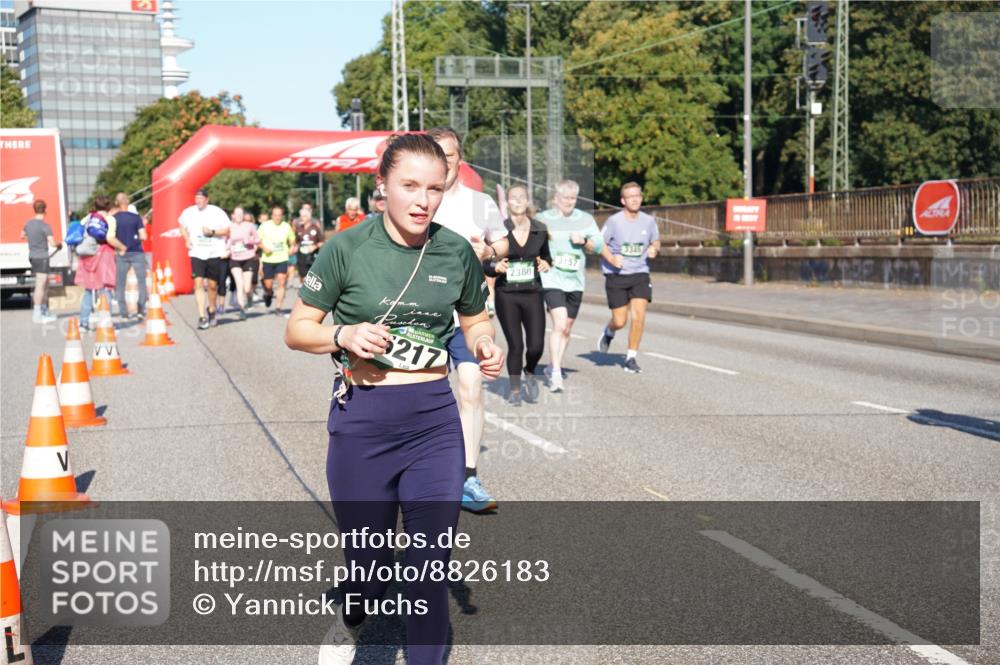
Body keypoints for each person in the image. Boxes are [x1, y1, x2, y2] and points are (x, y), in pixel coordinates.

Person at [284, 133, 503, 665]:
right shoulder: (346, 248)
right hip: (363, 423)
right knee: (370, 567)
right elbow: (297, 329)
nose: (423, 200)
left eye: (434, 188)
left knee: (429, 570)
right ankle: (354, 608)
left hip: (434, 424)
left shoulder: (455, 250)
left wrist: (483, 343)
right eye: (409, 186)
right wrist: (343, 334)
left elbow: (475, 318)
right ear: (382, 185)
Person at [429, 126, 509, 514]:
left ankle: (467, 477)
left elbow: (504, 242)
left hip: (468, 312)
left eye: (449, 154)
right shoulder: (422, 201)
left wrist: (488, 251)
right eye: (436, 154)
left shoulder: (480, 203)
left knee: (471, 384)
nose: (444, 162)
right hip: (425, 313)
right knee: (424, 393)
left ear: (460, 159)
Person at [484, 184, 551, 406]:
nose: (519, 201)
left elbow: (547, 257)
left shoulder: (540, 229)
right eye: (514, 197)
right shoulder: (499, 229)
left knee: (536, 346)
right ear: (507, 202)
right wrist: (495, 267)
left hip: (533, 293)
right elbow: (485, 261)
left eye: (522, 197)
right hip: (507, 295)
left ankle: (530, 370)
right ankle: (514, 389)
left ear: (528, 200)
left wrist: (545, 263)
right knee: (516, 345)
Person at [538, 179, 604, 392]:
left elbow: (599, 245)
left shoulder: (585, 219)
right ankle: (556, 374)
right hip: (552, 279)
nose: (569, 202)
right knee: (559, 325)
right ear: (556, 198)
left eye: (573, 198)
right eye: (565, 198)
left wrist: (584, 241)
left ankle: (552, 365)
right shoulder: (543, 219)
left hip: (575, 282)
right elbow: (530, 241)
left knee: (566, 328)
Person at [597, 182, 660, 373]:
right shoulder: (614, 221)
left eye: (637, 196)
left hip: (640, 273)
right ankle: (609, 331)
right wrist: (611, 258)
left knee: (639, 317)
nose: (634, 199)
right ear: (623, 201)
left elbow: (656, 240)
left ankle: (631, 357)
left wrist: (654, 249)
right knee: (620, 321)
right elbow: (599, 244)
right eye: (630, 196)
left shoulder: (648, 221)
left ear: (641, 198)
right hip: (616, 275)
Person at [179, 189, 230, 329]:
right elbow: (182, 226)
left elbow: (227, 231)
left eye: (201, 198)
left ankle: (211, 309)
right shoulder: (188, 212)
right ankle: (202, 316)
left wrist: (212, 232)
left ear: (207, 199)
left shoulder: (217, 212)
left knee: (212, 285)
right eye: (197, 198)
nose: (198, 201)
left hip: (214, 252)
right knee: (198, 283)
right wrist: (187, 239)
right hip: (197, 252)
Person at [75, 196, 118, 331]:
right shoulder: (108, 219)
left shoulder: (87, 218)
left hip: (86, 256)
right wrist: (121, 247)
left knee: (88, 290)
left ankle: (83, 323)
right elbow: (110, 238)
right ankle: (106, 322)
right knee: (105, 289)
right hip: (102, 256)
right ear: (108, 207)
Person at [109, 192, 148, 321]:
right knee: (141, 282)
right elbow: (143, 236)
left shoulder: (113, 218)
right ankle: (140, 311)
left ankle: (124, 313)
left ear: (117, 203)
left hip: (121, 253)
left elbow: (111, 237)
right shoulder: (136, 218)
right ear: (128, 201)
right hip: (137, 252)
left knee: (120, 283)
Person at [21, 199, 61, 324]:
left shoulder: (28, 223)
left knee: (45, 284)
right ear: (45, 210)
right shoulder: (45, 226)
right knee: (40, 284)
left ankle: (44, 310)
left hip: (33, 256)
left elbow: (22, 236)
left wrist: (32, 239)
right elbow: (53, 243)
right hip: (42, 257)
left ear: (34, 209)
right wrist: (59, 245)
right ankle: (37, 314)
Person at [257, 205, 296, 315]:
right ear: (272, 215)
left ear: (282, 216)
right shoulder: (265, 226)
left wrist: (292, 248)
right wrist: (264, 248)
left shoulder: (286, 226)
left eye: (279, 215)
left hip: (282, 258)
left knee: (282, 282)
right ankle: (268, 294)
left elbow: (292, 240)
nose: (277, 217)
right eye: (275, 215)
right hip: (268, 259)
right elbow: (256, 240)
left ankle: (278, 307)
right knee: (268, 285)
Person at [227, 205, 260, 320]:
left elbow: (258, 239)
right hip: (235, 259)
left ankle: (249, 298)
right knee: (239, 284)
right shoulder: (229, 227)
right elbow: (226, 241)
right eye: (237, 214)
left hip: (248, 258)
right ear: (233, 216)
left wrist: (249, 241)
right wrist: (227, 249)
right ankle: (242, 310)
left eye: (241, 214)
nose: (239, 216)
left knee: (247, 287)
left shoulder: (250, 226)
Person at [293, 203, 325, 280]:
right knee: (303, 277)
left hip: (313, 255)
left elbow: (322, 242)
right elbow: (296, 241)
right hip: (301, 255)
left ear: (309, 217)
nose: (302, 218)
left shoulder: (315, 228)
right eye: (301, 216)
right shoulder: (298, 228)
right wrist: (295, 247)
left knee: (313, 276)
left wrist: (315, 246)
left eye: (304, 216)